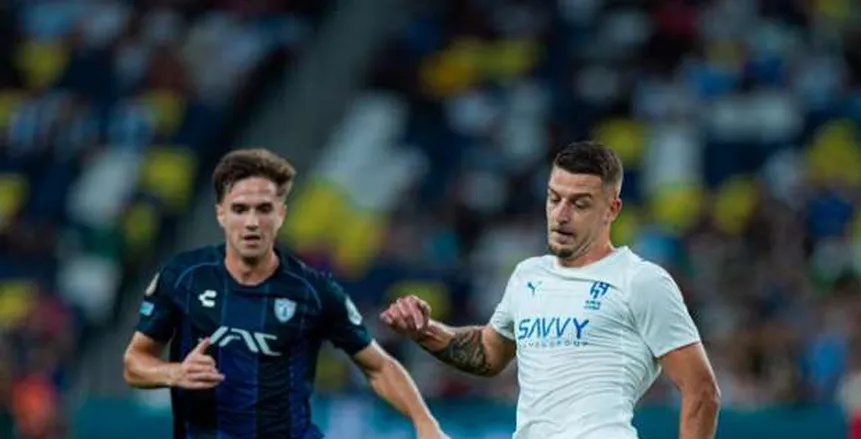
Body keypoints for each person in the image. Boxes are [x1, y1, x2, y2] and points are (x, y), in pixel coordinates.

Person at [381, 141, 721, 439]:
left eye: (579, 204)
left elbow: (702, 390)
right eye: (554, 199)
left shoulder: (641, 280)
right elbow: (487, 353)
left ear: (612, 210)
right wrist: (424, 330)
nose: (561, 215)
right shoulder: (528, 276)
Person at [123, 148, 448, 439]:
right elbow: (134, 362)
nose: (252, 222)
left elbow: (379, 366)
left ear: (280, 216)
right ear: (221, 213)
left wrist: (424, 422)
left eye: (263, 209)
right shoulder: (183, 277)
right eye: (240, 209)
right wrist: (173, 372)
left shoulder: (316, 291)